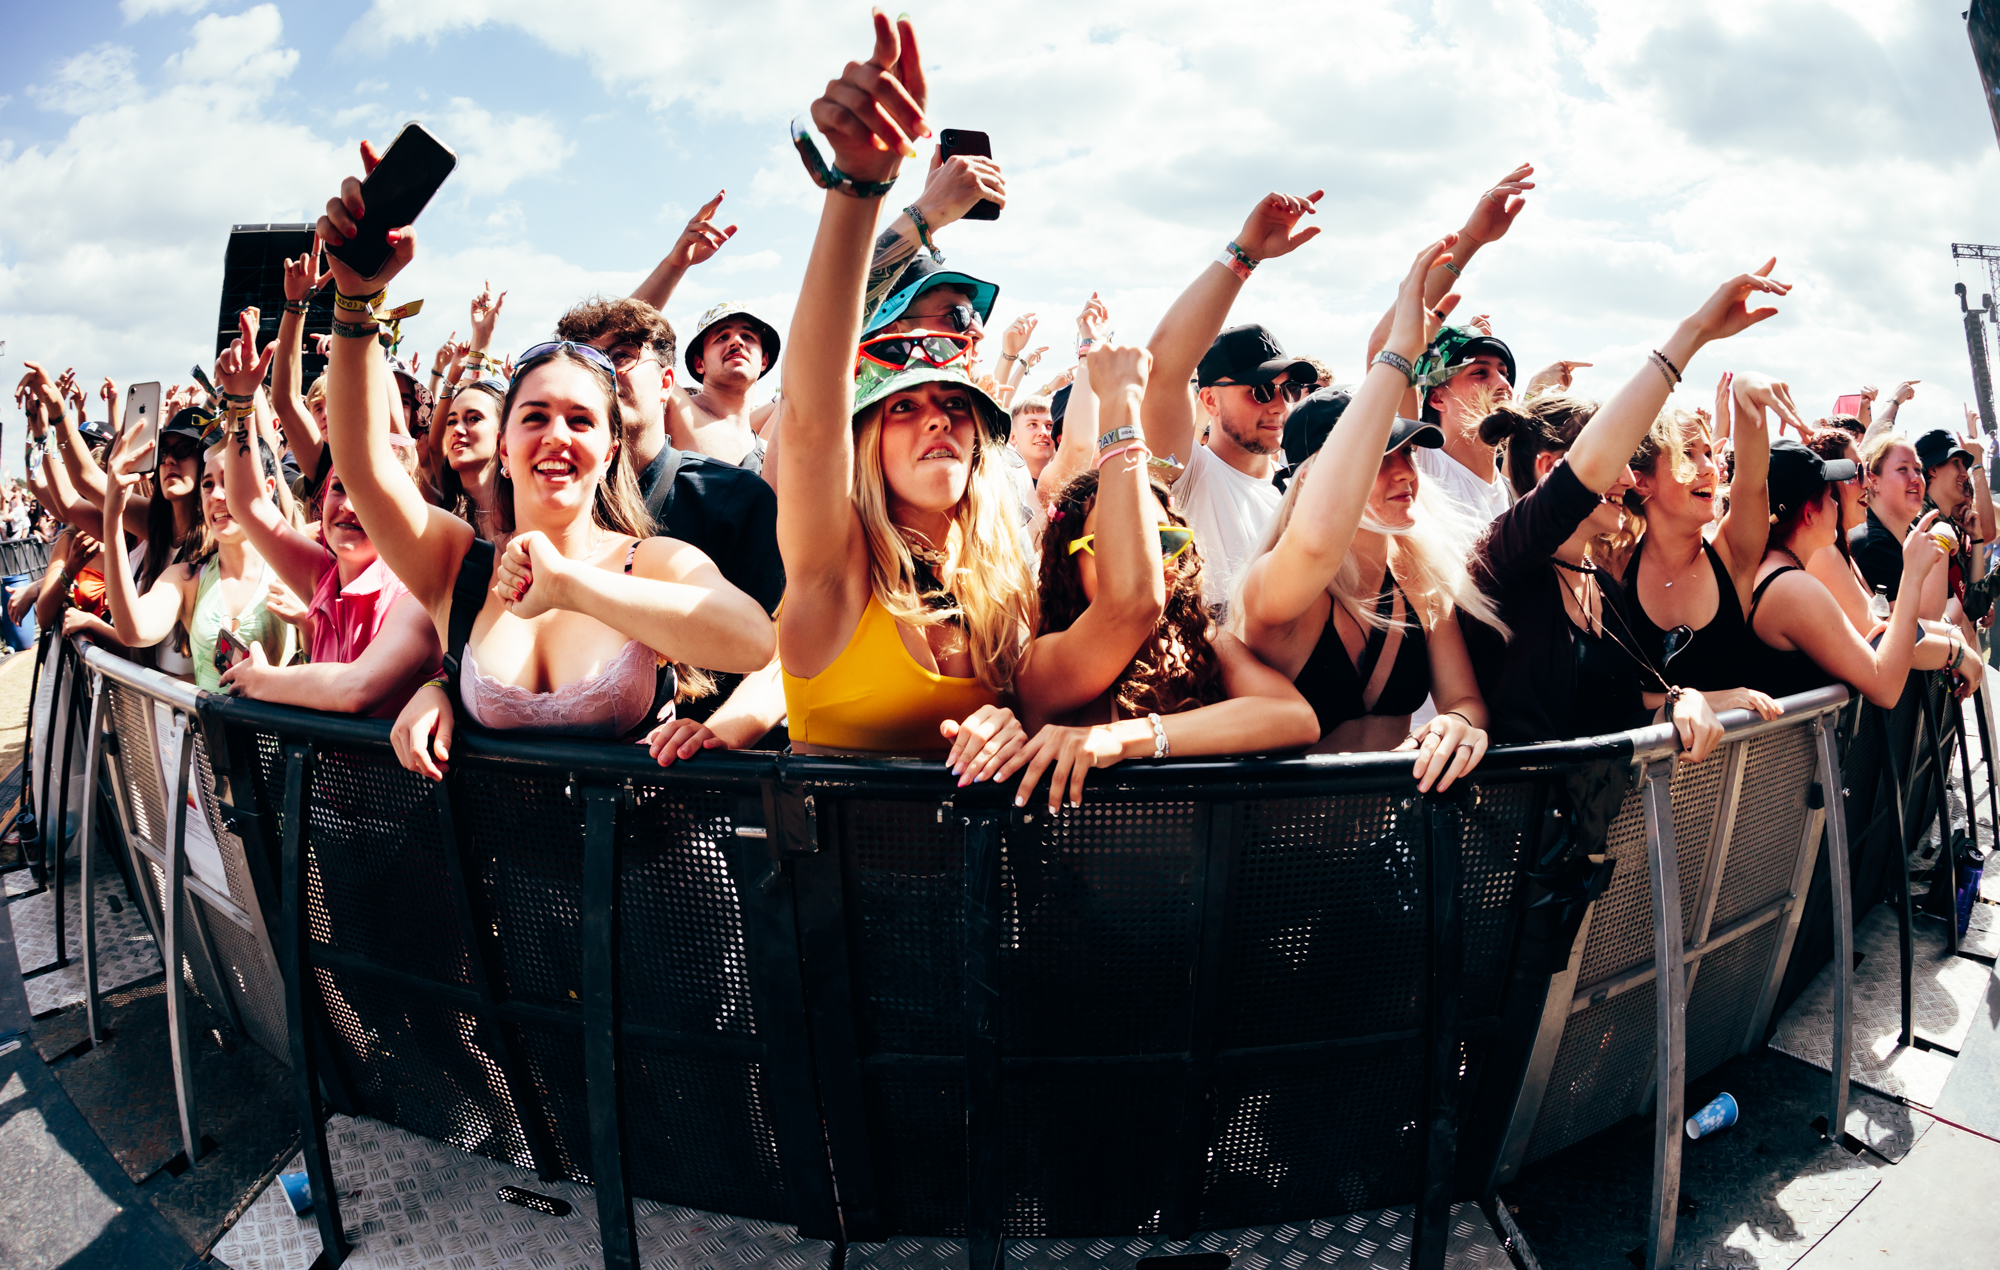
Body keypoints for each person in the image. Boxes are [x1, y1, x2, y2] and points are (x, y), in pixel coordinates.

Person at [310, 144, 774, 763]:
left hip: (640, 857)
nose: (557, 435)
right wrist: (356, 300)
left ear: (609, 450)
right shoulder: (457, 567)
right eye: (534, 417)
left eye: (581, 419)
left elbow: (752, 641)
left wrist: (571, 587)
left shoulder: (654, 561)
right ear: (504, 449)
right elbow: (364, 466)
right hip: (476, 859)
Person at [775, 12, 1032, 777]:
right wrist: (862, 188)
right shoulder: (835, 565)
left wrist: (1016, 727)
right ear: (868, 437)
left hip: (988, 887)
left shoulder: (1007, 573)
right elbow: (811, 415)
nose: (937, 422)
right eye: (904, 408)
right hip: (840, 892)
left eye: (956, 406)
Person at [1465, 263, 1795, 757]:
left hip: (1586, 828)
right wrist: (1693, 333)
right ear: (1551, 468)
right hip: (1510, 828)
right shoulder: (1505, 558)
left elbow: (1617, 711)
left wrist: (1689, 701)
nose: (1625, 479)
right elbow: (1581, 477)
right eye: (1614, 463)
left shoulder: (1598, 583)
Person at [1003, 342, 1318, 811]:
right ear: (1068, 559)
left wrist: (1132, 737)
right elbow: (1130, 599)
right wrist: (1120, 403)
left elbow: (1294, 716)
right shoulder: (1043, 659)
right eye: (1122, 544)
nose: (1155, 563)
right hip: (1079, 884)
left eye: (1165, 542)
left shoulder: (1199, 641)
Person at [1232, 236, 1499, 788]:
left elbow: (1465, 699)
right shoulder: (1275, 586)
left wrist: (1459, 724)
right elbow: (1316, 540)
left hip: (1388, 852)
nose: (1405, 472)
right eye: (1380, 459)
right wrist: (1397, 356)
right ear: (1313, 480)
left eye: (1408, 454)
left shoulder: (1419, 579)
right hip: (1272, 862)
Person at [209, 310, 441, 717]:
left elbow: (356, 688)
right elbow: (248, 505)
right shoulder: (322, 577)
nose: (349, 506)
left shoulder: (417, 594)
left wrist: (262, 680)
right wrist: (241, 402)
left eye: (368, 494)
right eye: (338, 488)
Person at [1139, 191, 1323, 613]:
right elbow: (1163, 372)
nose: (1278, 405)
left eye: (1289, 389)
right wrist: (1245, 255)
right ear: (1209, 399)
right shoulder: (1186, 477)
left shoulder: (1298, 490)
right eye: (1259, 390)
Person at [1360, 165, 1539, 523]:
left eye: (1503, 372)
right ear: (1437, 396)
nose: (1502, 382)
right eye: (1479, 372)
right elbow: (1386, 347)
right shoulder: (1422, 467)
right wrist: (1472, 239)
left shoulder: (1510, 494)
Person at [1746, 438, 1975, 706]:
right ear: (1809, 514)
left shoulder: (1786, 571)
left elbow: (1882, 632)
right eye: (1828, 496)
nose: (1836, 503)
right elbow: (1885, 686)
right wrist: (1913, 577)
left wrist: (1951, 640)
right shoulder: (1792, 586)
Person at [1616, 371, 1793, 712]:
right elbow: (1616, 699)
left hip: (1729, 764)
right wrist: (1714, 700)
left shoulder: (1731, 558)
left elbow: (1752, 481)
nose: (1709, 468)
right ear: (1641, 482)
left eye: (1709, 453)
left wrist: (1746, 397)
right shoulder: (1614, 566)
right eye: (1687, 455)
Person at [98, 423, 297, 691]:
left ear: (268, 487)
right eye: (207, 484)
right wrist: (112, 517)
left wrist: (307, 624)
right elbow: (133, 630)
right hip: (210, 733)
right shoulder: (187, 578)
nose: (215, 495)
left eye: (229, 481)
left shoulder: (296, 571)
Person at [673, 302, 783, 471]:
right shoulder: (672, 409)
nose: (737, 342)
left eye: (748, 336)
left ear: (764, 361)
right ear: (699, 363)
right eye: (722, 337)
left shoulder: (769, 454)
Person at [1850, 432, 1946, 616]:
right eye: (1903, 469)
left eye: (1918, 469)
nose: (1916, 478)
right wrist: (1944, 539)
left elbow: (1952, 601)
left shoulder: (1914, 533)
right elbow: (1924, 619)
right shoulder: (1871, 545)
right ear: (1874, 481)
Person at [1009, 394, 1056, 483]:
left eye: (1049, 425)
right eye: (1032, 424)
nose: (1043, 432)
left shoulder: (1070, 486)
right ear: (1013, 436)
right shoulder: (999, 484)